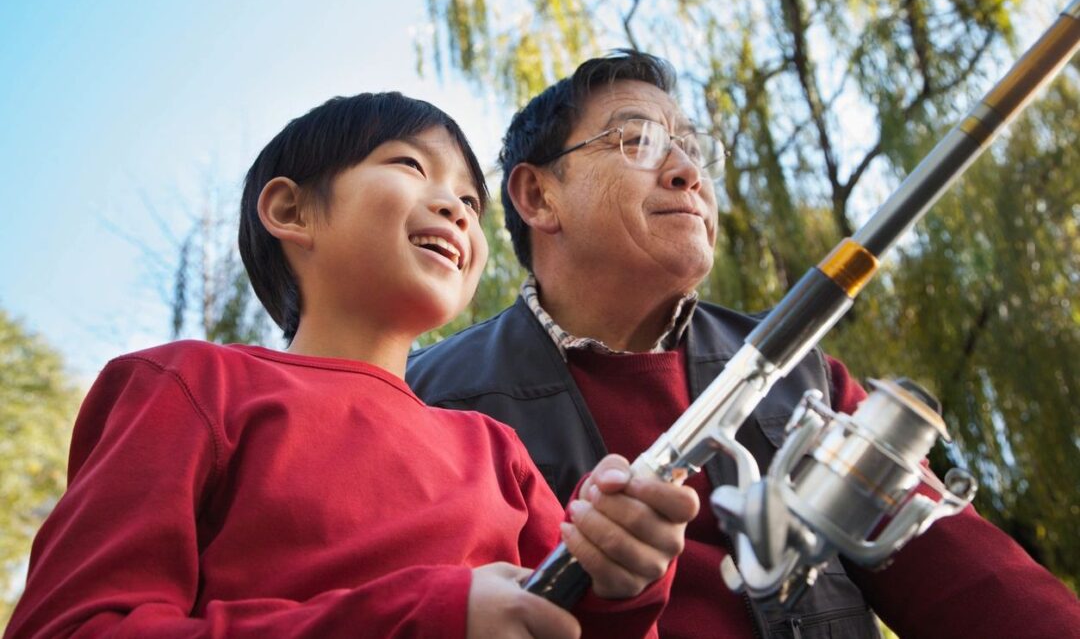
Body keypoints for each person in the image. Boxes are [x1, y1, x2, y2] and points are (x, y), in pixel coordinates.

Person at [407, 51, 1080, 638]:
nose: (686, 172)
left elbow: (978, 586)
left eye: (694, 150)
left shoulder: (805, 376)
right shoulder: (429, 400)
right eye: (638, 140)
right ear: (536, 194)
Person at [5, 92, 700, 639]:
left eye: (470, 201)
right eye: (410, 166)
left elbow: (570, 622)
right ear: (290, 209)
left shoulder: (495, 451)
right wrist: (423, 617)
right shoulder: (189, 386)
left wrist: (619, 580)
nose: (456, 210)